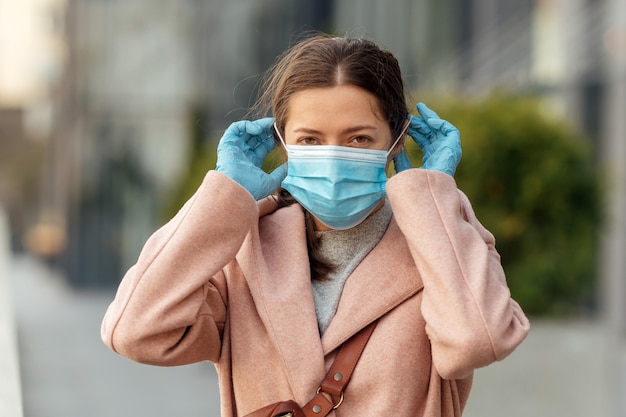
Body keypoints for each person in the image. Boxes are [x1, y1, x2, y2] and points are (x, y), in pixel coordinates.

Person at [101, 34, 530, 417]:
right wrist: (225, 197)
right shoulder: (246, 254)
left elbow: (477, 340)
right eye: (310, 139)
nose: (333, 156)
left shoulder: (439, 249)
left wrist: (433, 196)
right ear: (283, 143)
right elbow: (136, 331)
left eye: (358, 138)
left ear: (397, 141)